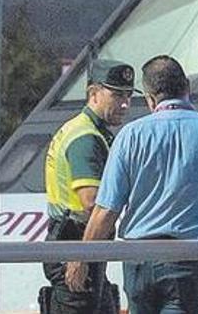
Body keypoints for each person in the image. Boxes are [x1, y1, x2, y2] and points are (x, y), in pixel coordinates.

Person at [69, 55, 198, 314]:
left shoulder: (130, 135)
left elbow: (107, 209)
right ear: (187, 87)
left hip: (138, 262)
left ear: (151, 98)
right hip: (189, 262)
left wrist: (81, 259)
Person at [40, 59, 136, 313]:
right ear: (93, 93)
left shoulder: (86, 130)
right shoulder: (86, 138)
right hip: (77, 243)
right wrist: (82, 256)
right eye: (116, 95)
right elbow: (92, 203)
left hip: (79, 243)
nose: (125, 104)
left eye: (128, 95)